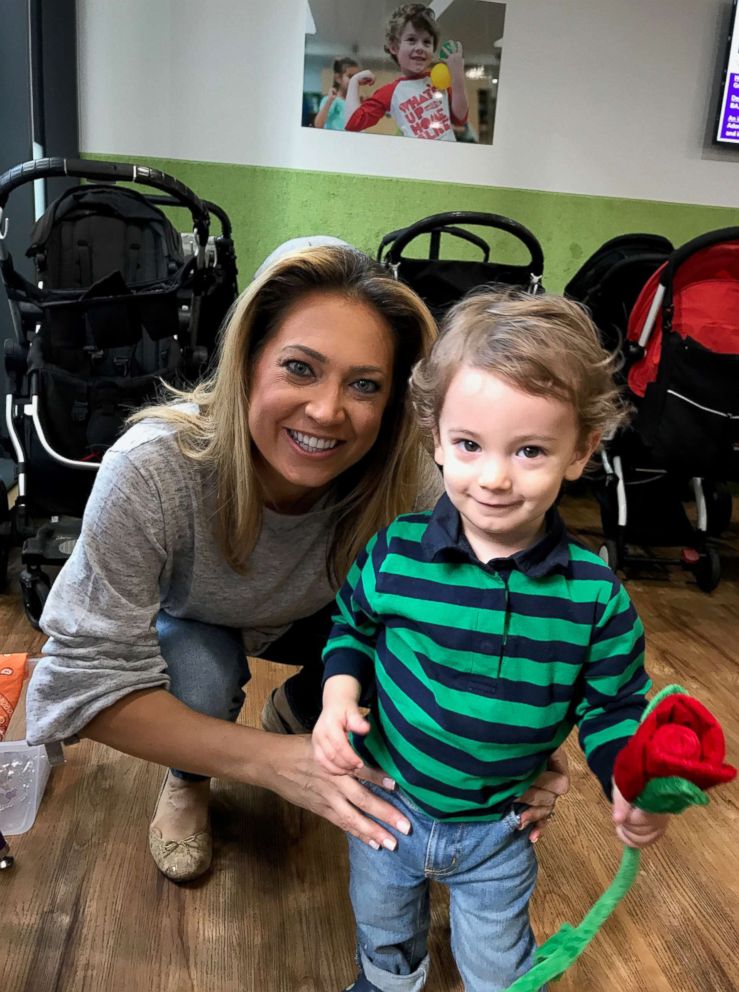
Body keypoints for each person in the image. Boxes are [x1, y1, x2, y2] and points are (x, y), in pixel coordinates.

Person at [25, 245, 568, 886]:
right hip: (203, 623)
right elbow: (76, 682)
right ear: (247, 362)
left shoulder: (418, 479)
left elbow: (484, 615)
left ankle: (301, 708)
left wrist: (524, 740)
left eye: (364, 385)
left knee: (420, 637)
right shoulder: (150, 469)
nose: (327, 411)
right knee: (200, 670)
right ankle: (189, 778)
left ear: (395, 401)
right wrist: (271, 762)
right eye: (299, 368)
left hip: (329, 624)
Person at [313, 290, 668, 992]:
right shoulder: (397, 553)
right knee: (382, 931)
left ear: (580, 451)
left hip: (499, 831)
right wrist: (337, 699)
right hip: (388, 805)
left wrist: (627, 778)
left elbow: (612, 705)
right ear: (436, 440)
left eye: (530, 449)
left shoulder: (594, 597)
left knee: (499, 963)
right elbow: (352, 627)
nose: (495, 477)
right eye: (469, 445)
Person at [344, 4, 468, 141]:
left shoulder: (438, 79)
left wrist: (457, 75)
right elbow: (353, 124)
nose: (420, 47)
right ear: (394, 47)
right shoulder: (390, 92)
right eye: (411, 40)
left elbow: (460, 118)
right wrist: (353, 81)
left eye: (427, 42)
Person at [314, 57, 360, 131]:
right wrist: (329, 101)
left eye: (357, 77)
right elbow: (318, 125)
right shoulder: (332, 100)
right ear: (338, 78)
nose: (354, 80)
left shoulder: (355, 103)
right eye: (350, 76)